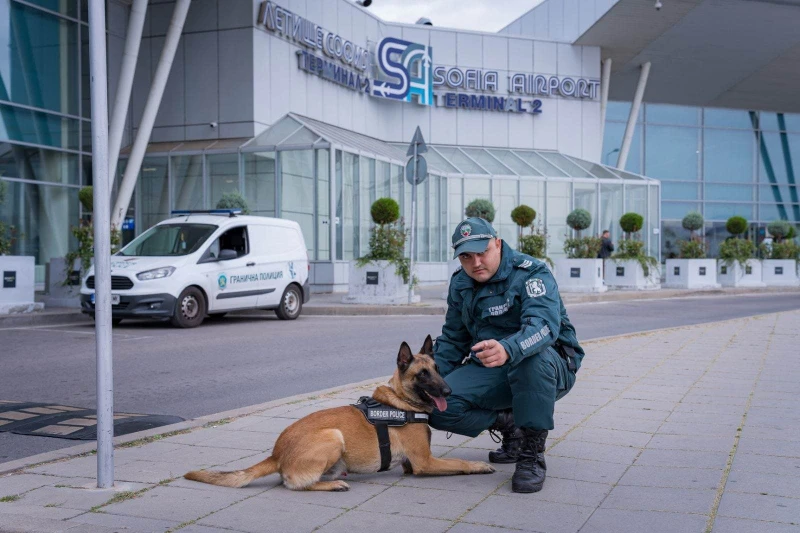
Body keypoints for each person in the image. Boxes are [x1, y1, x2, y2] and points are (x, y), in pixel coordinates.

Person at [430, 217, 585, 494]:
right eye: (466, 256)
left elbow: (544, 327)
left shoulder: (531, 273)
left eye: (482, 252)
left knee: (531, 360)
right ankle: (511, 425)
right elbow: (453, 339)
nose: (476, 262)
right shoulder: (461, 283)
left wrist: (509, 349)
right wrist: (422, 381)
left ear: (498, 244)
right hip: (491, 367)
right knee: (436, 405)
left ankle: (531, 453)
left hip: (548, 364)